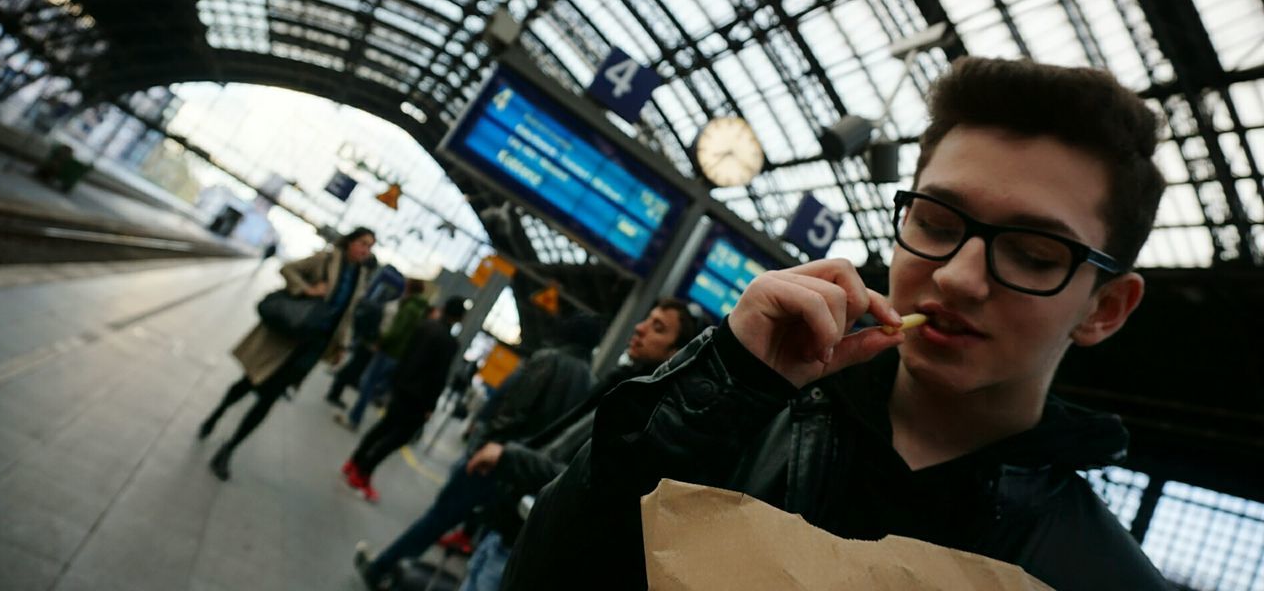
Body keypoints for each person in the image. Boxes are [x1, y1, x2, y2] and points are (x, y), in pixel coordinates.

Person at [500, 58, 1172, 591]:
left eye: (1033, 253)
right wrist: (717, 386)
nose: (960, 276)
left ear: (1104, 308)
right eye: (936, 224)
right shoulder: (729, 421)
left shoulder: (1099, 577)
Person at [450, 300, 702, 591]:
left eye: (658, 328)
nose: (640, 327)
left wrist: (507, 455)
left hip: (534, 541)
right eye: (647, 318)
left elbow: (581, 477)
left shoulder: (641, 414)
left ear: (675, 351)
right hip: (513, 521)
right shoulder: (617, 386)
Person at [351, 312, 612, 590]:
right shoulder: (590, 383)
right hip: (523, 479)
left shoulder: (547, 359)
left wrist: (479, 447)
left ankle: (381, 569)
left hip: (495, 460)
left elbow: (510, 411)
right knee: (484, 551)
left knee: (436, 519)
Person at [200, 227, 377, 480]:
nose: (365, 250)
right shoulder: (325, 259)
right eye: (362, 243)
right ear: (349, 243)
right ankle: (216, 414)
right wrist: (307, 289)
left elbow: (346, 315)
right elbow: (288, 269)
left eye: (369, 247)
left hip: (312, 346)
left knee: (269, 398)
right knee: (250, 382)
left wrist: (340, 346)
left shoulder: (360, 277)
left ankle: (229, 449)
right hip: (290, 337)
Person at [342, 296, 469, 501]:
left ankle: (354, 462)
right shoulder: (449, 343)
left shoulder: (424, 325)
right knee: (397, 438)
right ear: (459, 318)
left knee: (383, 427)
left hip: (401, 387)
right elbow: (438, 377)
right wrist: (430, 406)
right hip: (419, 399)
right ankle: (363, 473)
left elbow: (406, 353)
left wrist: (395, 381)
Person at [328, 277, 427, 417]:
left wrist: (381, 341)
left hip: (381, 343)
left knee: (363, 375)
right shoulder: (417, 308)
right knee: (362, 372)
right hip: (387, 346)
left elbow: (395, 329)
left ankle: (351, 412)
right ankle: (341, 397)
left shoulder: (407, 306)